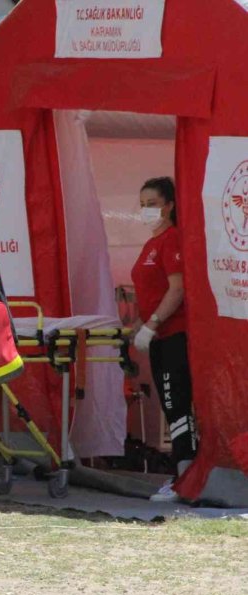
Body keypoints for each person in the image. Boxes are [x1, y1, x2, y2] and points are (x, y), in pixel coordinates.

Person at [131, 176, 197, 503]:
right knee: (170, 407)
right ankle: (182, 476)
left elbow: (178, 288)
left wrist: (153, 324)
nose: (146, 211)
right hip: (157, 338)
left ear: (169, 205)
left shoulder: (171, 239)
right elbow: (149, 293)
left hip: (173, 337)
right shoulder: (150, 244)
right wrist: (136, 327)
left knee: (177, 405)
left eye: (152, 204)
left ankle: (184, 479)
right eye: (142, 205)